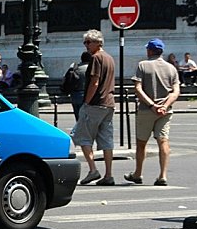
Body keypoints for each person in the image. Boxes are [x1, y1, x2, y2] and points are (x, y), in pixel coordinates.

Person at [124, 38, 180, 187]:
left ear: (149, 50)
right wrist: (165, 105)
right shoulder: (171, 68)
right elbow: (176, 92)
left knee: (141, 143)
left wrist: (151, 105)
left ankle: (138, 173)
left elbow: (138, 88)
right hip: (165, 111)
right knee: (163, 141)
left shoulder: (143, 65)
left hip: (146, 110)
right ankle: (163, 175)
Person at [70, 29, 116, 186]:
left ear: (98, 42)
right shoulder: (110, 58)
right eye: (85, 42)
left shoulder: (96, 58)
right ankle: (108, 174)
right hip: (109, 103)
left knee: (82, 135)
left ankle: (93, 170)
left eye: (89, 42)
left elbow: (94, 82)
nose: (86, 46)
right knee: (106, 139)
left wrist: (87, 102)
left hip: (95, 103)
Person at [64, 51, 92, 120]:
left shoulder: (76, 68)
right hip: (87, 95)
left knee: (78, 118)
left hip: (75, 95)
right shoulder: (91, 69)